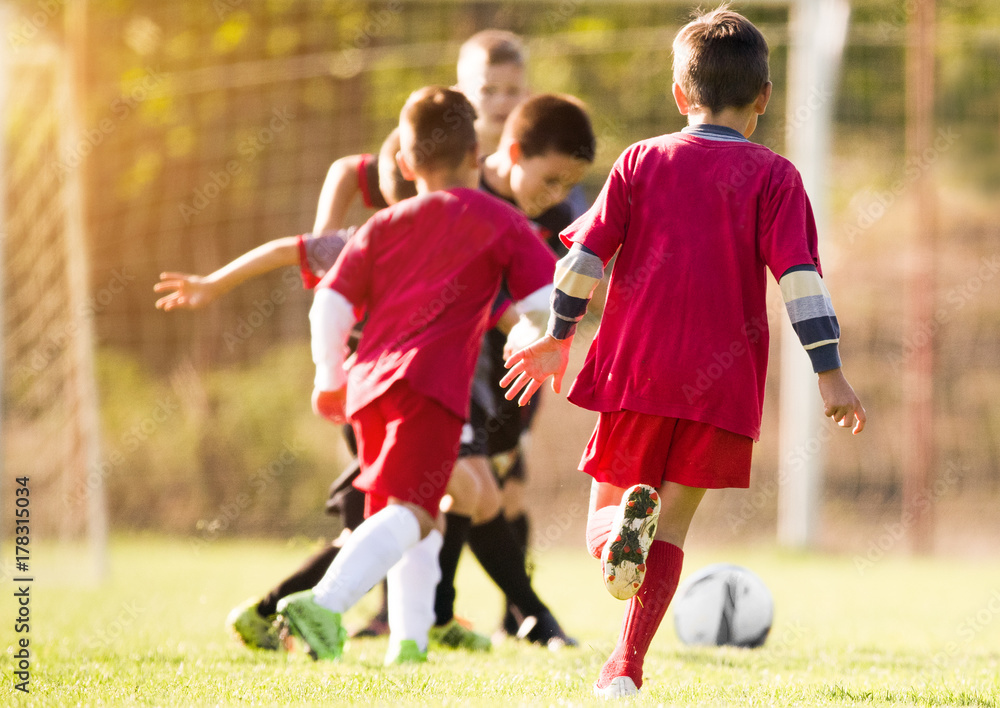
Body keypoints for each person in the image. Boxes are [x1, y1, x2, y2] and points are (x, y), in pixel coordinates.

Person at [500, 8, 867, 698]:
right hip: (723, 389)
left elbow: (584, 258)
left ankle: (615, 539)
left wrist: (556, 334)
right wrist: (830, 373)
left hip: (637, 370)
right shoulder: (777, 177)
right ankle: (624, 667)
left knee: (605, 526)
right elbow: (801, 282)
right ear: (762, 99)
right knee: (672, 528)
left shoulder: (642, 160)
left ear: (679, 95)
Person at [276, 86, 559, 666]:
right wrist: (540, 342)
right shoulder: (499, 220)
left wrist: (327, 377)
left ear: (404, 165)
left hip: (366, 388)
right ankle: (323, 604)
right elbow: (546, 302)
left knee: (406, 513)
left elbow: (328, 304)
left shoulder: (382, 225)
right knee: (420, 512)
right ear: (476, 156)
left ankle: (410, 642)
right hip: (428, 388)